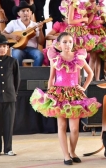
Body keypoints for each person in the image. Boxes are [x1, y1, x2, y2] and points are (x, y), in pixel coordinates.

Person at [30, 32, 101, 165]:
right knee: (62, 126)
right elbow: (51, 78)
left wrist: (84, 87)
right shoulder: (55, 59)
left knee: (74, 128)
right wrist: (49, 93)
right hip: (58, 93)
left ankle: (73, 151)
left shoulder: (79, 58)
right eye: (64, 42)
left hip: (74, 93)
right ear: (59, 44)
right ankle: (66, 155)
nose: (67, 45)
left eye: (70, 42)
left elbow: (90, 73)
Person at [1, 1, 44, 66]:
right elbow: (2, 34)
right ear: (18, 13)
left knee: (39, 55)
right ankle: (19, 75)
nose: (26, 13)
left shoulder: (35, 25)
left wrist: (40, 30)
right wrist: (11, 36)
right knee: (17, 54)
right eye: (23, 11)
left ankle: (35, 75)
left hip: (32, 49)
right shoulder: (13, 23)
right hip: (17, 48)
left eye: (28, 10)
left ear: (31, 12)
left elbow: (41, 42)